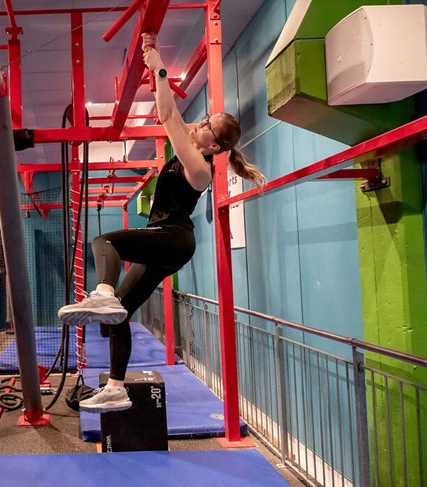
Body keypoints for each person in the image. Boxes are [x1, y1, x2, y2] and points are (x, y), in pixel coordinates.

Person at [58, 32, 265, 413]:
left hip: (174, 238)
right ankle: (116, 387)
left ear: (214, 146)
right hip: (166, 240)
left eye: (208, 124)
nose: (200, 123)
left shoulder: (200, 169)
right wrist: (151, 56)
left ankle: (102, 292)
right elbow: (170, 113)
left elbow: (168, 116)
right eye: (205, 118)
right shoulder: (191, 147)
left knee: (105, 241)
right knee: (119, 315)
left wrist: (159, 68)